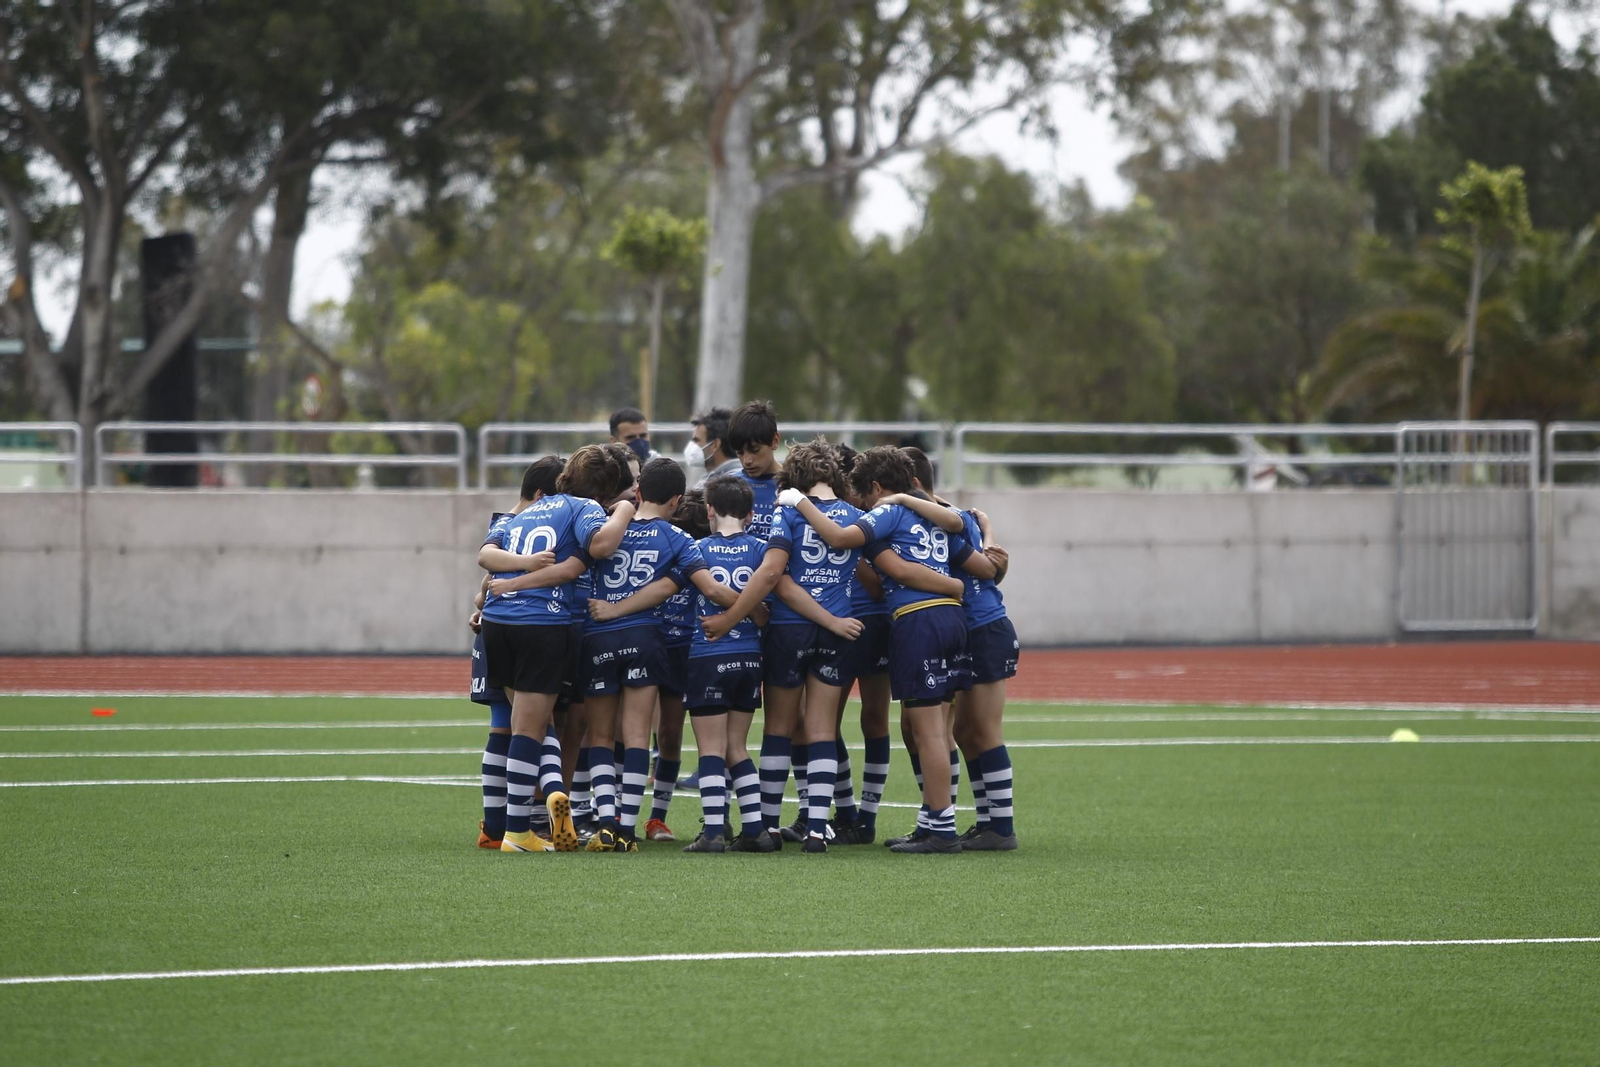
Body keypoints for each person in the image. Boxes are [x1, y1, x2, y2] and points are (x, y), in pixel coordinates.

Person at [780, 445, 997, 854]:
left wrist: (800, 501)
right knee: (935, 730)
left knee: (927, 730)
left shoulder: (889, 511)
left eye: (865, 495)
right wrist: (955, 582)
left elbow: (842, 536)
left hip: (919, 620)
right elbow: (958, 529)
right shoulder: (927, 513)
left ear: (877, 487)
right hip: (952, 619)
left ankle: (942, 832)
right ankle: (932, 820)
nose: (861, 503)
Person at [702, 438, 865, 852]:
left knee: (778, 729)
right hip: (838, 630)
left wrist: (730, 616)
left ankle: (769, 828)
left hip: (790, 629)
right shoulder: (855, 516)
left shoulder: (787, 510)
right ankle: (815, 830)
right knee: (822, 730)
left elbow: (775, 574)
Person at [478, 446, 633, 853]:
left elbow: (486, 556)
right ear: (605, 491)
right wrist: (623, 512)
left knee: (529, 724)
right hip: (541, 624)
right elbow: (597, 549)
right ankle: (518, 832)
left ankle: (532, 810)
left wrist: (510, 582)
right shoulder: (586, 508)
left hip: (497, 622)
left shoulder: (527, 510)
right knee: (530, 729)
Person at [580, 458, 739, 852]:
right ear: (676, 499)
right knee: (638, 736)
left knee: (601, 735)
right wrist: (756, 607)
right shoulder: (677, 539)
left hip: (597, 636)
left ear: (637, 491)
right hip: (645, 637)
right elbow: (691, 588)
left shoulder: (605, 526)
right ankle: (628, 831)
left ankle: (605, 821)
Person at [726, 400, 782, 541]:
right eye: (740, 452)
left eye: (754, 450)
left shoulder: (796, 484)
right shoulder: (729, 486)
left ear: (775, 441)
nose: (747, 460)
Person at [685, 407, 740, 488]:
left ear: (715, 445)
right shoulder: (711, 479)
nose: (692, 446)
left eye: (696, 440)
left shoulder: (730, 483)